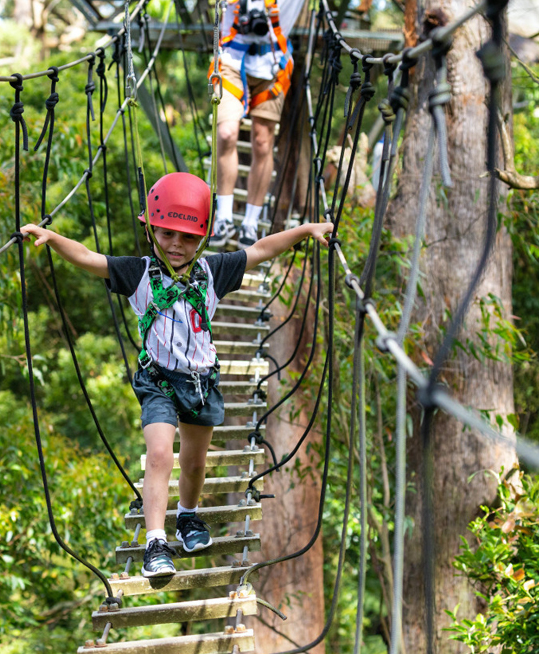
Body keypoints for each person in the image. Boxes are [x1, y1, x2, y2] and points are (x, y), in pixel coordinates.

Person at [20, 172, 331, 577]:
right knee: (161, 456)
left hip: (201, 385)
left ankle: (187, 517)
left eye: (187, 238)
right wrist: (54, 239)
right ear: (151, 230)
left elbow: (260, 250)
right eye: (166, 234)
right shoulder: (138, 273)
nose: (176, 245)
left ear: (202, 239)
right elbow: (89, 258)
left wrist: (305, 230)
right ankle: (155, 543)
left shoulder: (213, 272)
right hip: (159, 383)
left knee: (195, 464)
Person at [209, 0, 295, 250]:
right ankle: (223, 218)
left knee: (262, 141)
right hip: (229, 62)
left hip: (273, 66)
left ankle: (250, 221)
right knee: (226, 133)